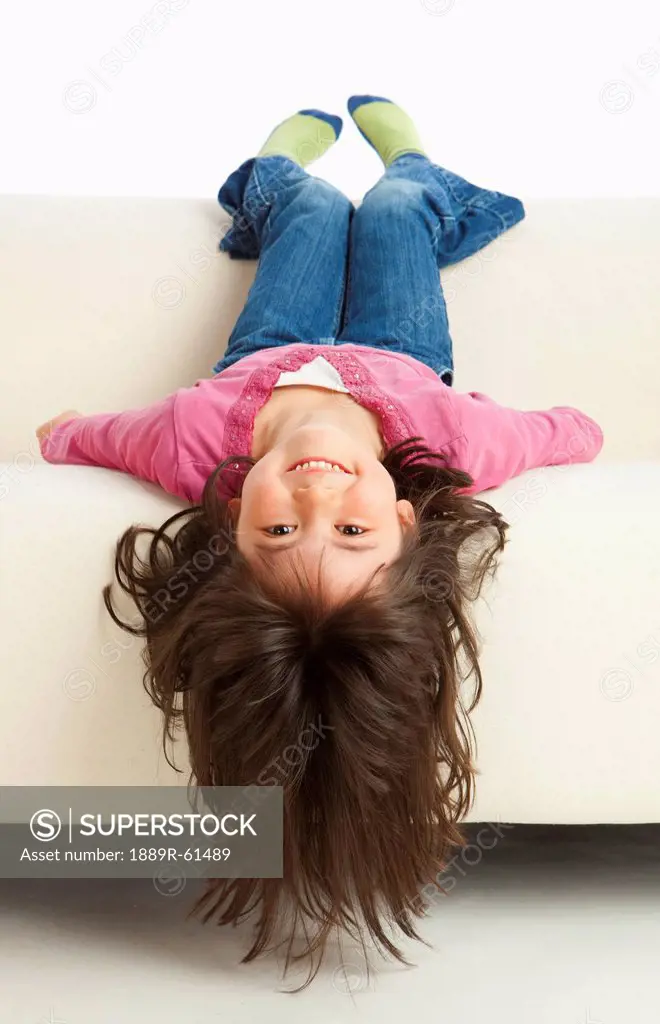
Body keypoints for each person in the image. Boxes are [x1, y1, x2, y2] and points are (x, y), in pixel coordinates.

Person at [37, 95, 603, 987]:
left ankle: (275, 169)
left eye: (278, 529)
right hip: (401, 349)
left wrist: (62, 435)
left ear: (231, 520)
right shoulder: (448, 440)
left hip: (266, 347)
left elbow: (114, 434)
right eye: (350, 531)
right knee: (389, 210)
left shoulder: (196, 438)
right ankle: (416, 164)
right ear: (405, 519)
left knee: (307, 211)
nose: (313, 489)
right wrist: (583, 429)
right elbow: (547, 432)